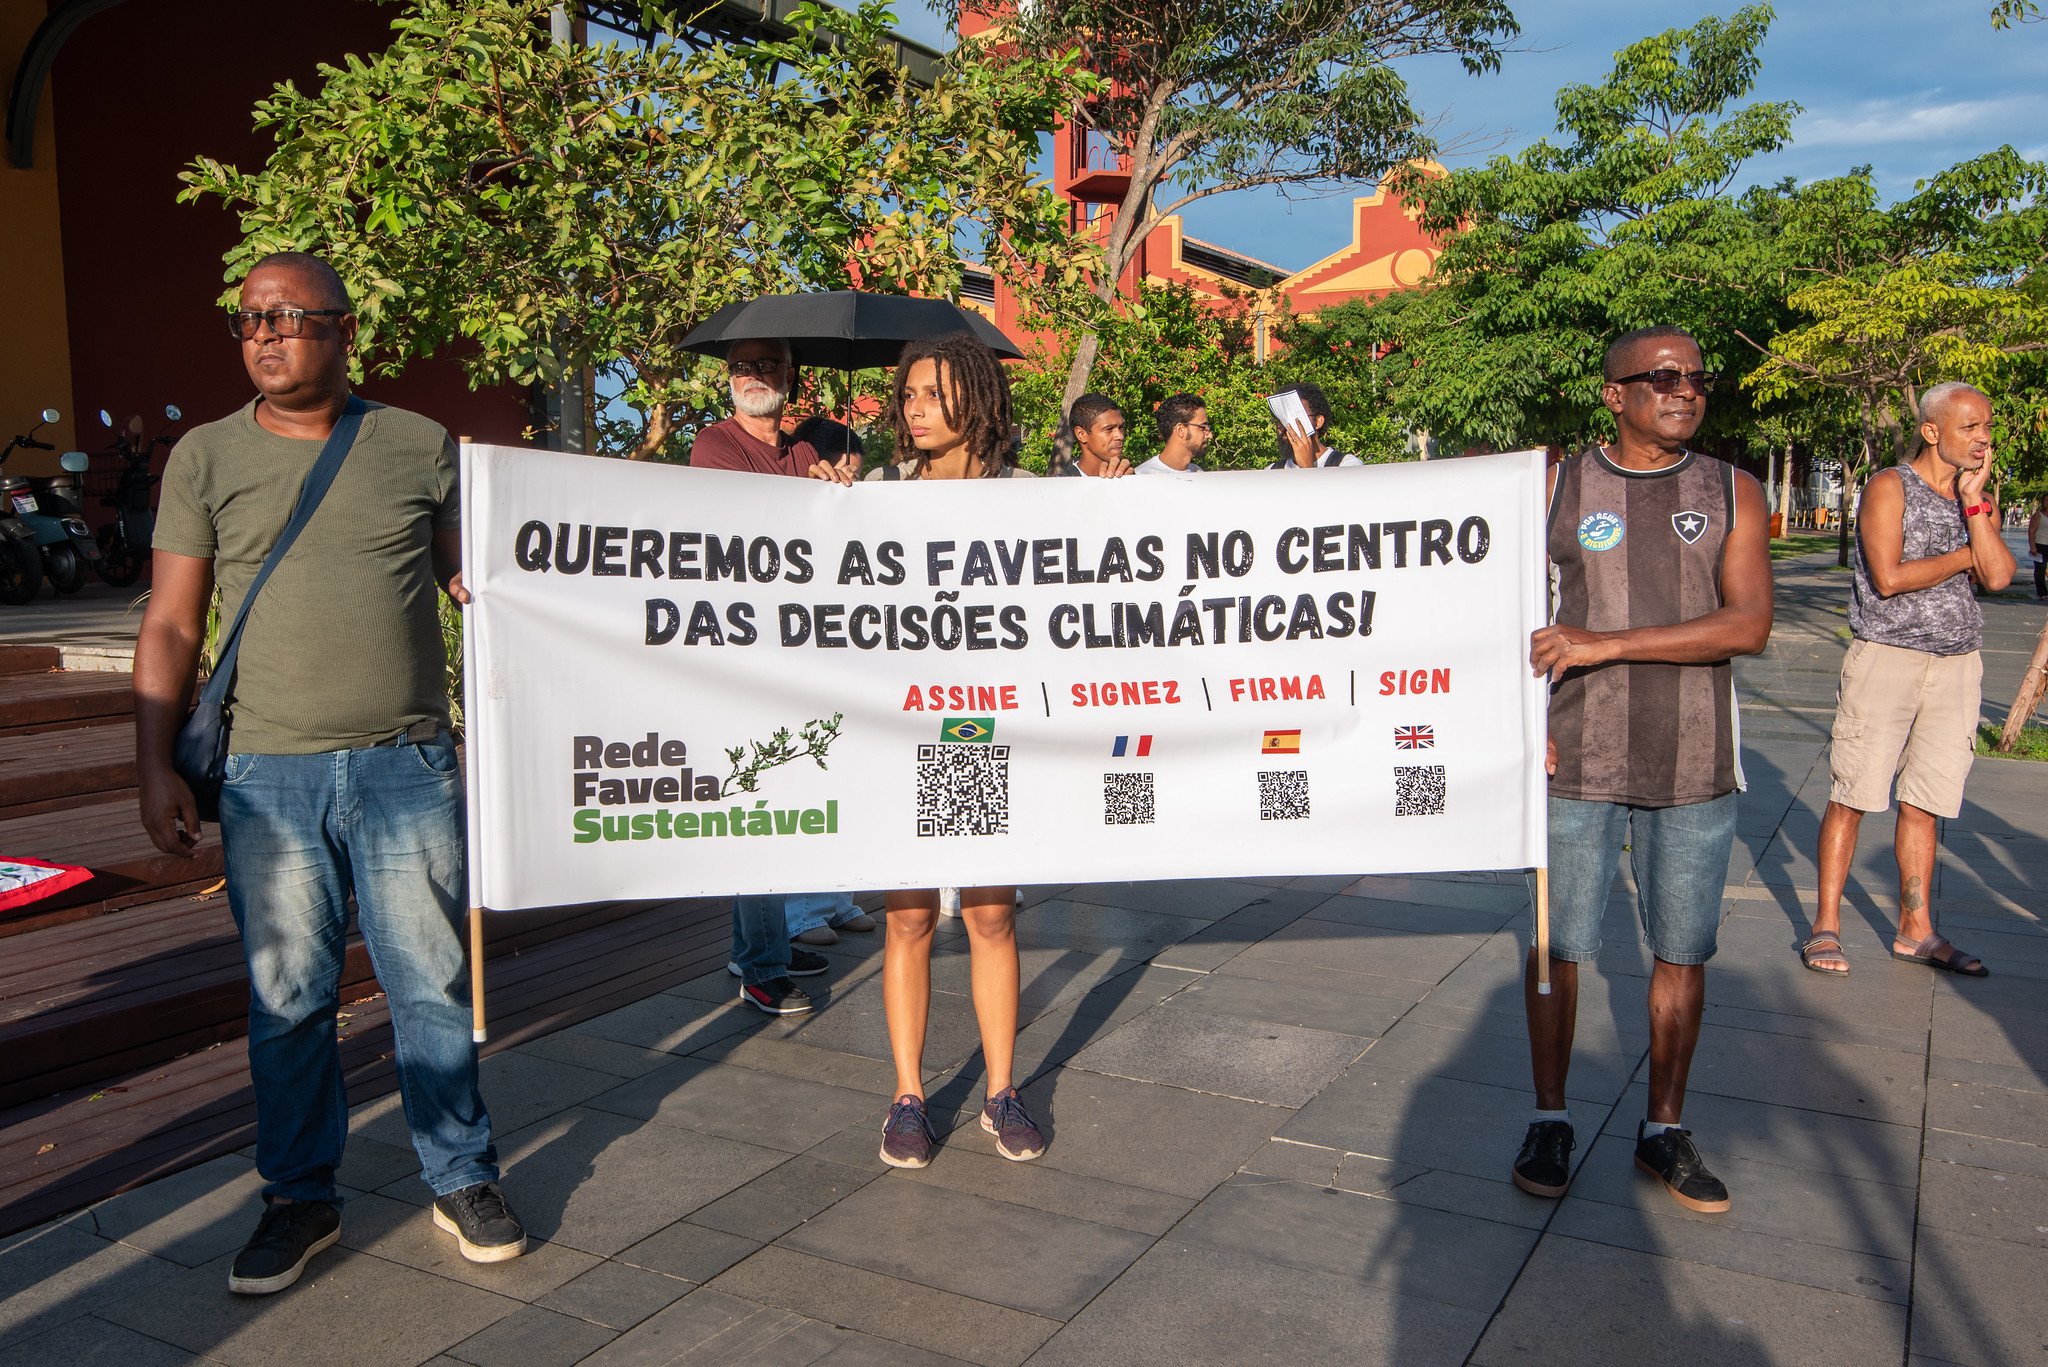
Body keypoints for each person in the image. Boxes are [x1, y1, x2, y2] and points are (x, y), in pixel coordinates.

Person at [134, 252, 525, 1294]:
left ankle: (460, 1172)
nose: (263, 335)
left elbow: (477, 578)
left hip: (406, 764)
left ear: (345, 330)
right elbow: (172, 619)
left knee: (429, 984)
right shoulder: (204, 457)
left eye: (288, 317)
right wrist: (151, 761)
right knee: (289, 994)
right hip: (267, 776)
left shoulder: (418, 444)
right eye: (248, 319)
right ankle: (299, 1196)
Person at [1513, 325, 1773, 1214]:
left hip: (1694, 757)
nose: (1685, 389)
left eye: (1696, 376)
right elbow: (1498, 609)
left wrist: (1606, 644)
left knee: (1682, 948)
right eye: (1661, 376)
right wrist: (1519, 724)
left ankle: (1664, 1128)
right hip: (1573, 754)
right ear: (1614, 394)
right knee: (1557, 946)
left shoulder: (1734, 490)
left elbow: (1748, 625)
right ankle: (1551, 1116)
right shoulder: (1552, 485)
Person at [861, 332, 1045, 1169]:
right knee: (906, 918)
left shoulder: (1033, 495)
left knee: (989, 914)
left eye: (934, 393)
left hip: (988, 730)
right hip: (902, 730)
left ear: (978, 397)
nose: (916, 408)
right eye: (908, 395)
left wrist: (1114, 498)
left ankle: (1001, 1092)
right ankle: (908, 1095)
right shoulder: (875, 492)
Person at [1803, 382, 2014, 979]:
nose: (1983, 439)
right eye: (1970, 427)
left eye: (1986, 427)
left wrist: (1975, 509)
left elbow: (1999, 577)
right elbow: (1889, 576)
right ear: (1931, 430)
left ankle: (1914, 930)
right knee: (1854, 793)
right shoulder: (1889, 487)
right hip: (1886, 660)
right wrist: (1964, 557)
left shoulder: (1975, 501)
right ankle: (1826, 925)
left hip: (1956, 666)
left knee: (1924, 801)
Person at [693, 336, 870, 1011]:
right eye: (740, 366)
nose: (751, 376)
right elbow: (752, 521)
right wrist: (812, 493)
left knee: (777, 805)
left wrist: (838, 490)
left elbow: (824, 533)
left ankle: (759, 942)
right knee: (755, 809)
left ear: (790, 377)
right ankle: (760, 966)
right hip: (744, 655)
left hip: (798, 650)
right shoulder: (715, 444)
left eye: (766, 364)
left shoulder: (801, 450)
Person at [1268, 382, 1364, 469]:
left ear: (1318, 421)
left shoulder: (1347, 465)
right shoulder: (1272, 471)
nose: (1286, 426)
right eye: (1281, 419)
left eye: (1295, 417)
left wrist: (1307, 467)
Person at [1056, 393, 1134, 478]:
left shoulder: (1127, 477)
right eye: (1108, 429)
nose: (1120, 436)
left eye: (1121, 427)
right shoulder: (1062, 487)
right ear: (1081, 434)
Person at [1140, 392, 1211, 474]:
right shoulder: (1143, 476)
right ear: (1180, 430)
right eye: (1203, 428)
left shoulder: (1197, 472)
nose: (1210, 435)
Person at [2027, 494, 2047, 600]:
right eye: (2046, 500)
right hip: (2040, 545)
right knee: (2040, 569)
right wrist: (2032, 547)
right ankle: (2042, 593)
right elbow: (2031, 531)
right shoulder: (2038, 515)